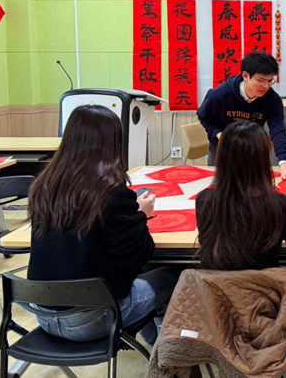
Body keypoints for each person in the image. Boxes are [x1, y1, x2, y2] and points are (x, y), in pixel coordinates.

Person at [27, 105, 177, 346]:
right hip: (93, 319)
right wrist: (140, 214)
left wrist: (132, 213)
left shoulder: (44, 186)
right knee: (174, 277)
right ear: (113, 143)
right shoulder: (111, 194)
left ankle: (152, 347)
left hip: (43, 314)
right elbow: (139, 256)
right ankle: (166, 354)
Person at [196, 120, 286, 270]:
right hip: (265, 289)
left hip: (214, 290)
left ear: (222, 157)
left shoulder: (205, 200)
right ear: (262, 158)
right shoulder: (281, 205)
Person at [197, 52, 286, 179]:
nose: (266, 86)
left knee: (253, 187)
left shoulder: (272, 100)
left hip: (252, 147)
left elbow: (278, 130)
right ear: (246, 76)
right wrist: (219, 133)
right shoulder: (219, 95)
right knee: (223, 188)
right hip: (223, 148)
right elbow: (204, 117)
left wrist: (283, 163)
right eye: (261, 81)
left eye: (270, 81)